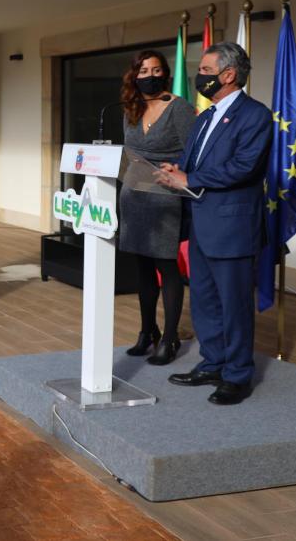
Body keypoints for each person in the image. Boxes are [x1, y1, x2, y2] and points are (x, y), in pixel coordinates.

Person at [158, 42, 273, 406]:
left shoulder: (255, 115)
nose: (200, 77)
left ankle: (238, 374)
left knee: (234, 303)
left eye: (206, 71)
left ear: (229, 75)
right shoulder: (206, 116)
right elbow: (192, 160)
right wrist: (177, 169)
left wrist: (190, 179)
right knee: (205, 300)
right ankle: (213, 362)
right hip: (201, 223)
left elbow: (244, 167)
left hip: (232, 227)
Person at [117, 50, 195, 365]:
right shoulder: (130, 108)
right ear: (134, 76)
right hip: (134, 194)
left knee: (166, 266)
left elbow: (194, 152)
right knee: (142, 268)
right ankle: (147, 331)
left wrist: (175, 169)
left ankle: (170, 337)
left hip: (165, 197)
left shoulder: (179, 108)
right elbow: (128, 150)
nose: (150, 75)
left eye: (156, 69)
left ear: (165, 73)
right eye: (144, 70)